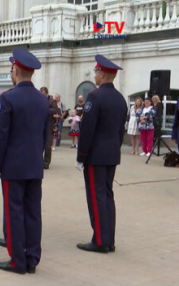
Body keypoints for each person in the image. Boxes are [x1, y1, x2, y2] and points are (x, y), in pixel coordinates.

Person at [0, 48, 48, 275]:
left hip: (13, 167)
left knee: (14, 211)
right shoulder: (43, 100)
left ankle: (17, 261)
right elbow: (45, 135)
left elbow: (0, 136)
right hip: (34, 164)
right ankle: (32, 258)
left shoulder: (7, 98)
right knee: (33, 212)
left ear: (15, 70)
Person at [75, 54, 127, 254]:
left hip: (95, 155)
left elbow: (88, 129)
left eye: (96, 71)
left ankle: (99, 240)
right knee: (107, 196)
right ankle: (109, 239)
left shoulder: (95, 96)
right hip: (112, 154)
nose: (95, 74)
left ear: (103, 74)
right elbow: (120, 131)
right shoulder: (120, 99)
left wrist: (81, 156)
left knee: (96, 197)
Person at [40, 87, 59, 169]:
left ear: (46, 93)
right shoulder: (39, 100)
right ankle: (38, 160)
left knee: (48, 144)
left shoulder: (52, 101)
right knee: (39, 144)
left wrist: (46, 110)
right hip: (40, 124)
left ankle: (46, 162)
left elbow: (55, 110)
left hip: (48, 124)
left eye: (42, 93)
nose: (41, 94)